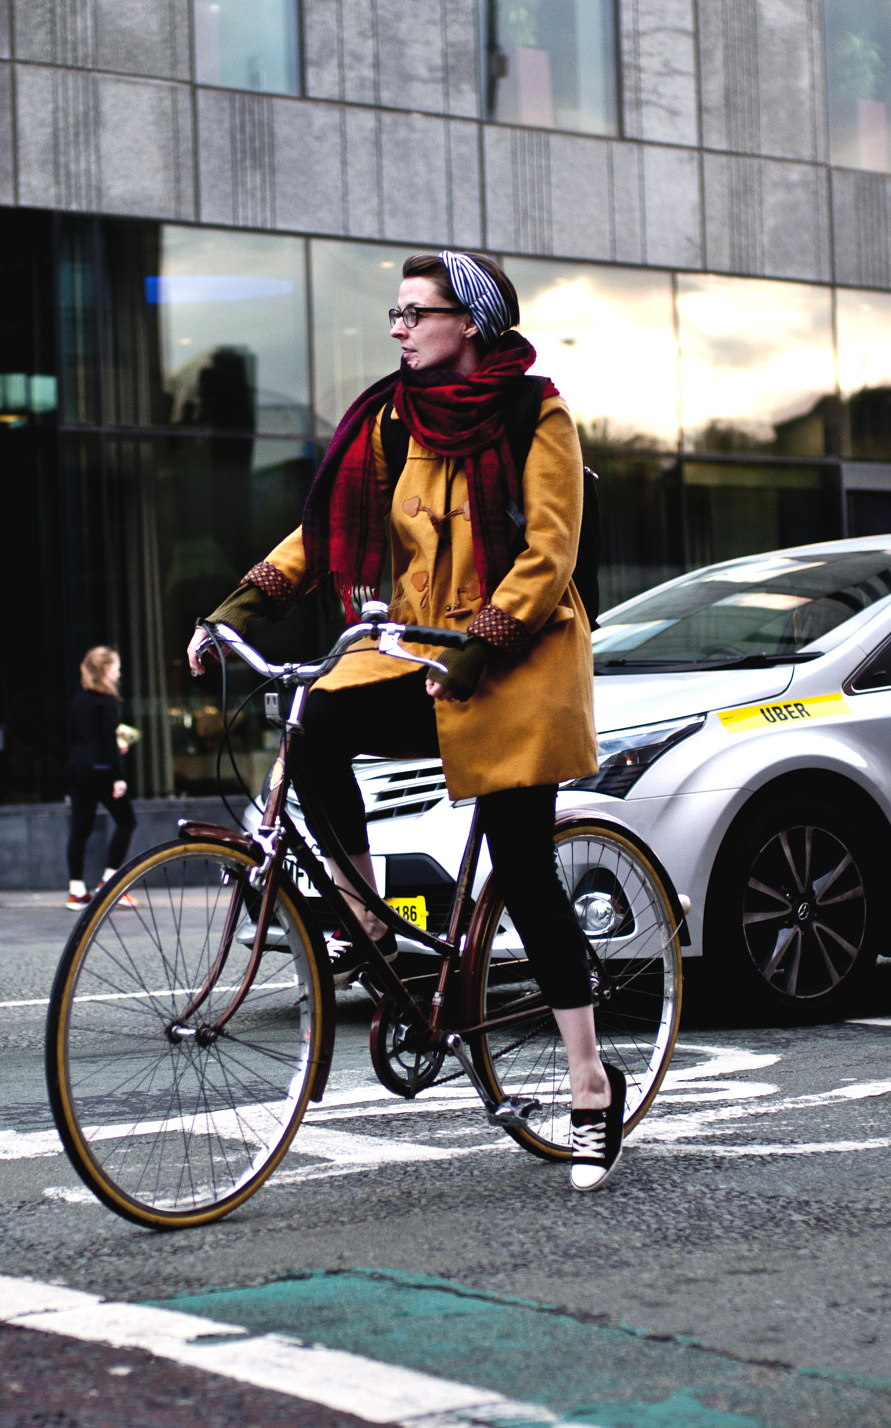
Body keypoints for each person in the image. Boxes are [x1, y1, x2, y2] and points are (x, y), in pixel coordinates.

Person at [186, 251, 623, 1191]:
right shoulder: (392, 420)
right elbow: (325, 533)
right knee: (314, 730)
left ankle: (589, 1084)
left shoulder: (533, 412)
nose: (397, 327)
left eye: (415, 313)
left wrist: (479, 648)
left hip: (518, 660)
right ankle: (370, 931)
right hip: (417, 647)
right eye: (394, 312)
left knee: (524, 869)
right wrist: (238, 609)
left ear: (469, 324)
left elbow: (550, 554)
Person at [65, 645, 137, 909]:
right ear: (105, 669)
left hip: (78, 771)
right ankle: (109, 881)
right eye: (116, 667)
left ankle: (75, 891)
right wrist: (119, 776)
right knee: (127, 821)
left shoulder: (78, 700)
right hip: (102, 771)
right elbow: (108, 741)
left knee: (79, 831)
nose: (119, 672)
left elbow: (73, 740)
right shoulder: (107, 701)